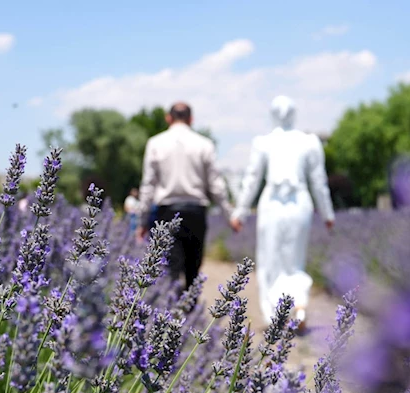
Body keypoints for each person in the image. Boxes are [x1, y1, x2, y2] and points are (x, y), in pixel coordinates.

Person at [231, 96, 334, 332]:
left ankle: (273, 316)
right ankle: (299, 304)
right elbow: (319, 182)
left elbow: (252, 181)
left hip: (272, 206)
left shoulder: (263, 142)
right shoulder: (310, 142)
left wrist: (240, 212)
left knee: (269, 262)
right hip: (300, 204)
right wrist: (328, 214)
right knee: (294, 261)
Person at [137, 102, 239, 289]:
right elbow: (216, 184)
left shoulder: (155, 143)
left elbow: (148, 185)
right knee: (193, 270)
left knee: (169, 270)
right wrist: (229, 215)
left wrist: (142, 221)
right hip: (195, 213)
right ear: (191, 119)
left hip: (166, 213)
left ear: (168, 118)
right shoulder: (204, 144)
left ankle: (169, 312)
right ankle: (189, 314)